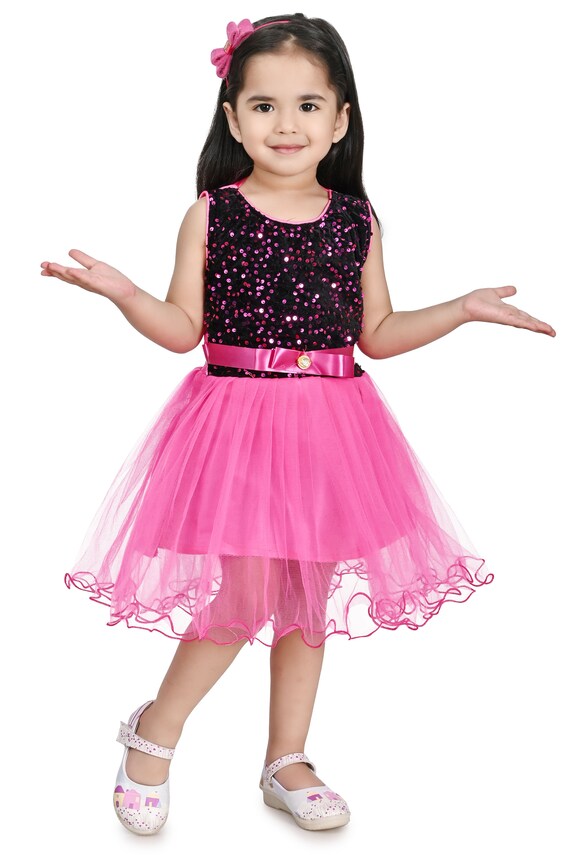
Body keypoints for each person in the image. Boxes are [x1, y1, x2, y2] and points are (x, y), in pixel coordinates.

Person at [39, 13, 555, 837]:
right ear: (233, 117)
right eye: (265, 105)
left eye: (309, 105)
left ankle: (286, 758)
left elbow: (376, 334)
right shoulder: (214, 213)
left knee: (307, 597)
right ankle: (154, 731)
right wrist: (126, 294)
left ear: (341, 119)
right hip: (237, 424)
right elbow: (183, 328)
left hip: (331, 428)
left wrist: (460, 308)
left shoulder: (356, 220)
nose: (287, 124)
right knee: (244, 595)